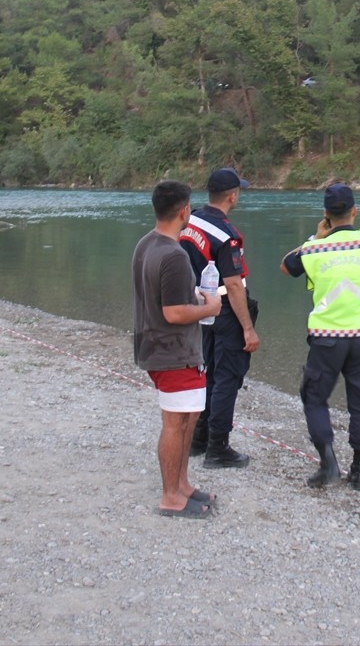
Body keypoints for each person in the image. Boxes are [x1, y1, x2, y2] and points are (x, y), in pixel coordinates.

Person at [279, 180, 360, 490]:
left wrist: (317, 235)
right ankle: (359, 471)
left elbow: (285, 267)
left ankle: (328, 461)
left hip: (327, 340)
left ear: (326, 215)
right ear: (355, 211)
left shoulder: (314, 249)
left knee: (314, 398)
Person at [132, 180, 223, 518]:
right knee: (175, 424)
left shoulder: (146, 243)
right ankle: (171, 496)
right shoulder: (174, 255)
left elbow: (160, 298)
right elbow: (173, 313)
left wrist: (194, 297)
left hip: (155, 346)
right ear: (184, 210)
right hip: (174, 351)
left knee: (187, 420)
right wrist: (209, 308)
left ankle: (182, 485)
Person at [179, 167, 260, 469]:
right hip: (224, 309)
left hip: (198, 306)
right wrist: (248, 329)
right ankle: (218, 448)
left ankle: (199, 439)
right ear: (231, 195)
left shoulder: (191, 220)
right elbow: (235, 284)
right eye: (238, 190)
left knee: (208, 373)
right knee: (228, 377)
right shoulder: (227, 235)